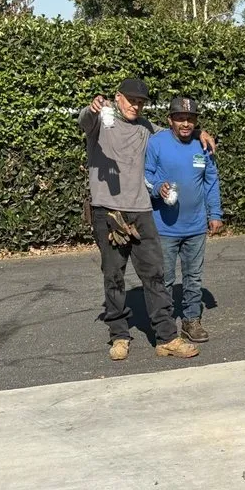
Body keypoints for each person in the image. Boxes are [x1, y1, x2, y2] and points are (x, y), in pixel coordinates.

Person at [78, 78, 214, 361]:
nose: (135, 105)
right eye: (130, 100)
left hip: (141, 210)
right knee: (113, 276)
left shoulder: (146, 128)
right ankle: (119, 336)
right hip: (108, 211)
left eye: (140, 102)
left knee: (155, 275)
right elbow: (83, 121)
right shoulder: (100, 122)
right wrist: (91, 109)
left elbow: (177, 132)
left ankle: (166, 338)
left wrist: (200, 131)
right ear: (118, 98)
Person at [144, 96, 224, 344]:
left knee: (193, 276)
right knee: (165, 279)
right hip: (164, 227)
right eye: (180, 118)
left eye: (190, 119)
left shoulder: (203, 146)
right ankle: (166, 326)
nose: (186, 123)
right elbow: (144, 177)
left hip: (196, 226)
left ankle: (191, 321)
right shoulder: (157, 143)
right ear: (170, 120)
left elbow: (211, 182)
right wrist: (158, 188)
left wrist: (216, 214)